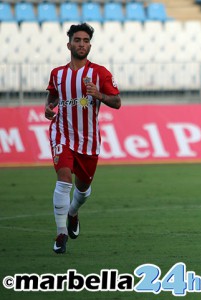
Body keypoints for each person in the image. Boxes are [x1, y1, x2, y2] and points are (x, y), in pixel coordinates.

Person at [44, 23, 121, 254]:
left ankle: (73, 212)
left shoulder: (100, 73)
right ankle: (60, 234)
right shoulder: (58, 74)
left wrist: (98, 94)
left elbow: (117, 102)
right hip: (62, 133)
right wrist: (49, 108)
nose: (81, 44)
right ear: (69, 44)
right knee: (64, 178)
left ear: (90, 45)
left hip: (88, 140)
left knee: (83, 190)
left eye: (86, 40)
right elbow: (53, 97)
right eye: (77, 40)